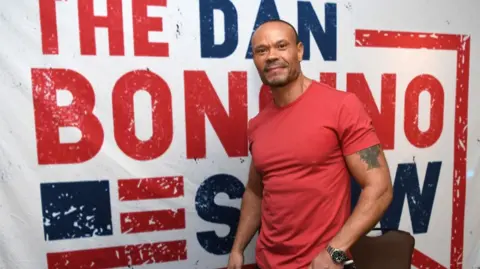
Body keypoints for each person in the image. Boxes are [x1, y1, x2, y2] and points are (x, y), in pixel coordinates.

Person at [226, 19, 394, 269]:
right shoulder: (257, 124)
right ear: (256, 60)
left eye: (281, 46)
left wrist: (335, 252)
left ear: (300, 51)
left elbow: (379, 188)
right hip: (267, 264)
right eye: (262, 50)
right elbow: (255, 191)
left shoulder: (342, 107)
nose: (271, 56)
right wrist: (238, 249)